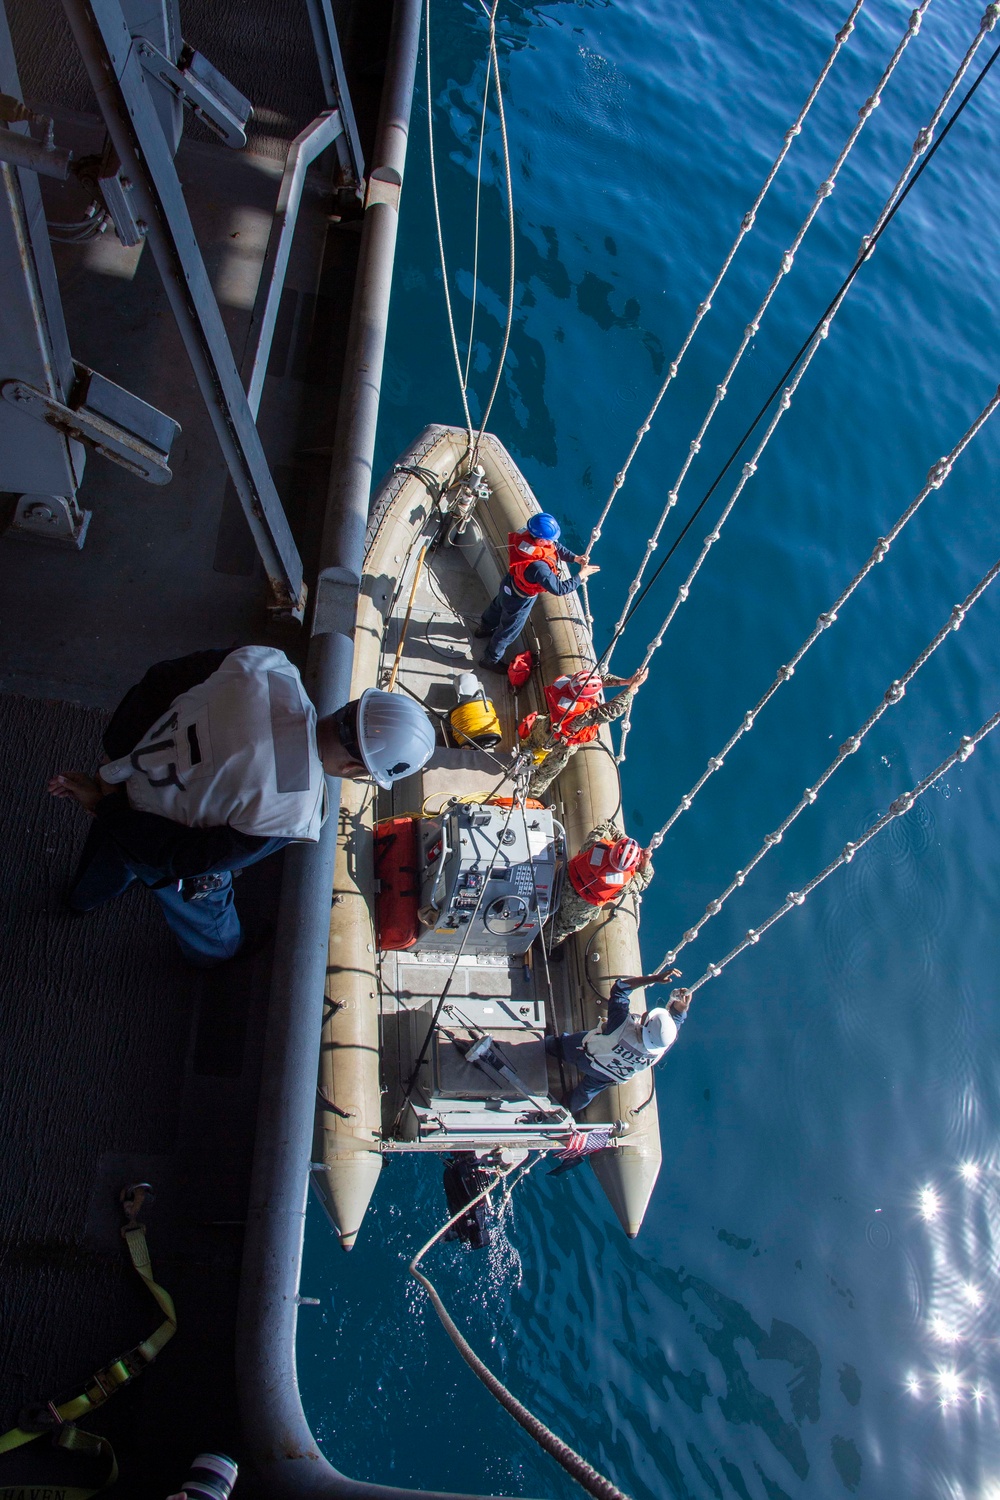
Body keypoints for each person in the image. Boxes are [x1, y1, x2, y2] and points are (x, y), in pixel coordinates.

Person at [48, 646, 436, 968]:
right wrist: (110, 806)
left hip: (125, 776)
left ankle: (81, 901)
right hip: (145, 830)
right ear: (355, 769)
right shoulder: (295, 810)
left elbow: (159, 680)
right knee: (207, 904)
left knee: (104, 857)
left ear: (349, 707)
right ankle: (220, 956)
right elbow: (188, 859)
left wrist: (117, 769)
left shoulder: (268, 663)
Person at [545, 972, 687, 1114]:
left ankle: (544, 1045)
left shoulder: (620, 1025)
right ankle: (568, 1107)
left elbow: (620, 990)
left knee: (561, 1046)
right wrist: (681, 1009)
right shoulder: (660, 1048)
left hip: (587, 1057)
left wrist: (654, 978)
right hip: (610, 1075)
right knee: (587, 1091)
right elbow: (674, 1024)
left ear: (646, 1024)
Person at [476, 512, 599, 673]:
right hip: (520, 598)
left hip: (509, 584)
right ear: (541, 540)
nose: (553, 542)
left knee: (497, 606)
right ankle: (489, 660)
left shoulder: (526, 535)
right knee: (508, 631)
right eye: (550, 539)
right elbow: (559, 589)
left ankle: (483, 629)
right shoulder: (539, 567)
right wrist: (581, 575)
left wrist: (575, 558)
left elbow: (554, 548)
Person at [518, 666, 648, 799]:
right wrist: (631, 689)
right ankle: (530, 791)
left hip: (549, 724)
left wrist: (625, 681)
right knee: (548, 770)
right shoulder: (580, 716)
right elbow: (610, 711)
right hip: (563, 742)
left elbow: (593, 681)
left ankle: (522, 751)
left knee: (534, 740)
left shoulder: (564, 684)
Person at [549, 819, 652, 947]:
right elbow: (644, 880)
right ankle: (545, 944)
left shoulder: (594, 843)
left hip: (562, 880)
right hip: (579, 907)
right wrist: (646, 860)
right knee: (562, 927)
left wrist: (623, 839)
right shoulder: (623, 884)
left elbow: (605, 827)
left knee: (547, 900)